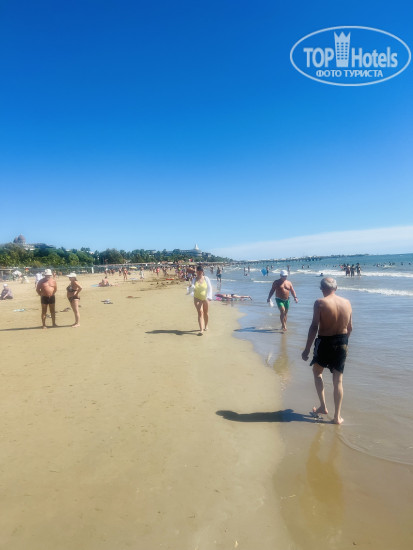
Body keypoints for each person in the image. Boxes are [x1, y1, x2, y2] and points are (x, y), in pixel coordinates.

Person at [301, 277, 352, 425]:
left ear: (322, 289)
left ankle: (323, 406)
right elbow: (350, 328)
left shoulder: (320, 303)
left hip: (325, 342)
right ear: (336, 288)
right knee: (338, 380)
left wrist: (307, 349)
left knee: (317, 372)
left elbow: (314, 327)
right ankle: (337, 417)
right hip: (342, 342)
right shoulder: (347, 303)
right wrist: (343, 344)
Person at [190, 265, 213, 334]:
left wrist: (209, 297)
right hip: (197, 298)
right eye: (198, 271)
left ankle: (206, 326)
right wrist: (191, 288)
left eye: (201, 271)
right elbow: (191, 289)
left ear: (202, 271)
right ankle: (201, 329)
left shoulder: (206, 278)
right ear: (196, 272)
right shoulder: (194, 279)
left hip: (206, 298)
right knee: (200, 312)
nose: (199, 272)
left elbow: (210, 288)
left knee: (206, 312)